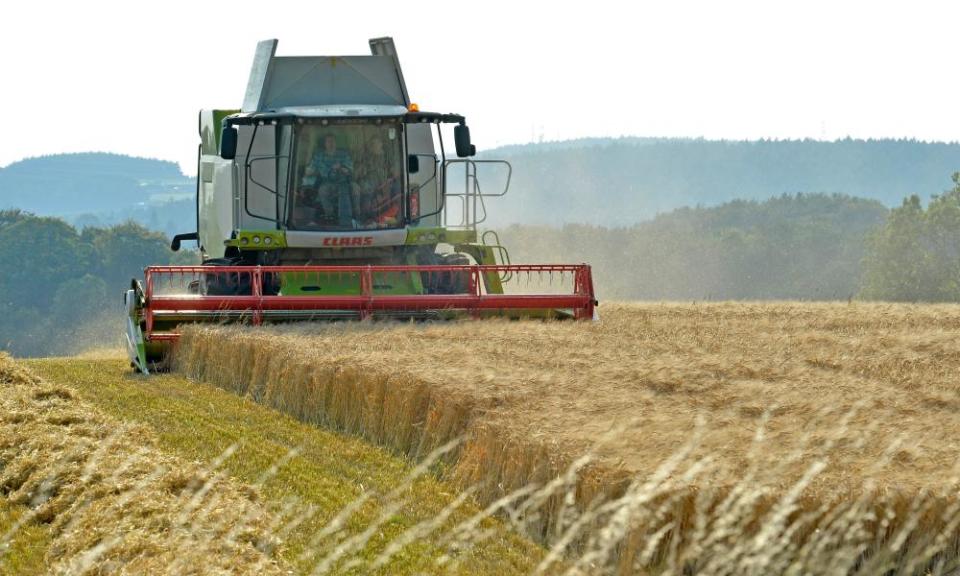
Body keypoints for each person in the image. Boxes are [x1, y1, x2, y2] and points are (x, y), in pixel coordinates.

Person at [301, 134, 354, 227]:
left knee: (346, 192)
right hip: (326, 182)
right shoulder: (319, 156)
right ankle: (330, 216)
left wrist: (340, 167)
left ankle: (346, 221)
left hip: (342, 182)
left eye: (333, 141)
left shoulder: (343, 154)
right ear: (325, 144)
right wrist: (311, 171)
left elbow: (350, 170)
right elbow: (308, 170)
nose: (331, 143)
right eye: (328, 141)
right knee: (323, 191)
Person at [356, 137, 402, 227]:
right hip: (369, 186)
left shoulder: (388, 158)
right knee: (366, 200)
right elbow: (359, 174)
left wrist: (389, 180)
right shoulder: (366, 158)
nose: (374, 146)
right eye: (372, 144)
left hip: (386, 184)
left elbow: (396, 173)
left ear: (381, 144)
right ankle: (366, 221)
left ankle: (388, 220)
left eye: (376, 143)